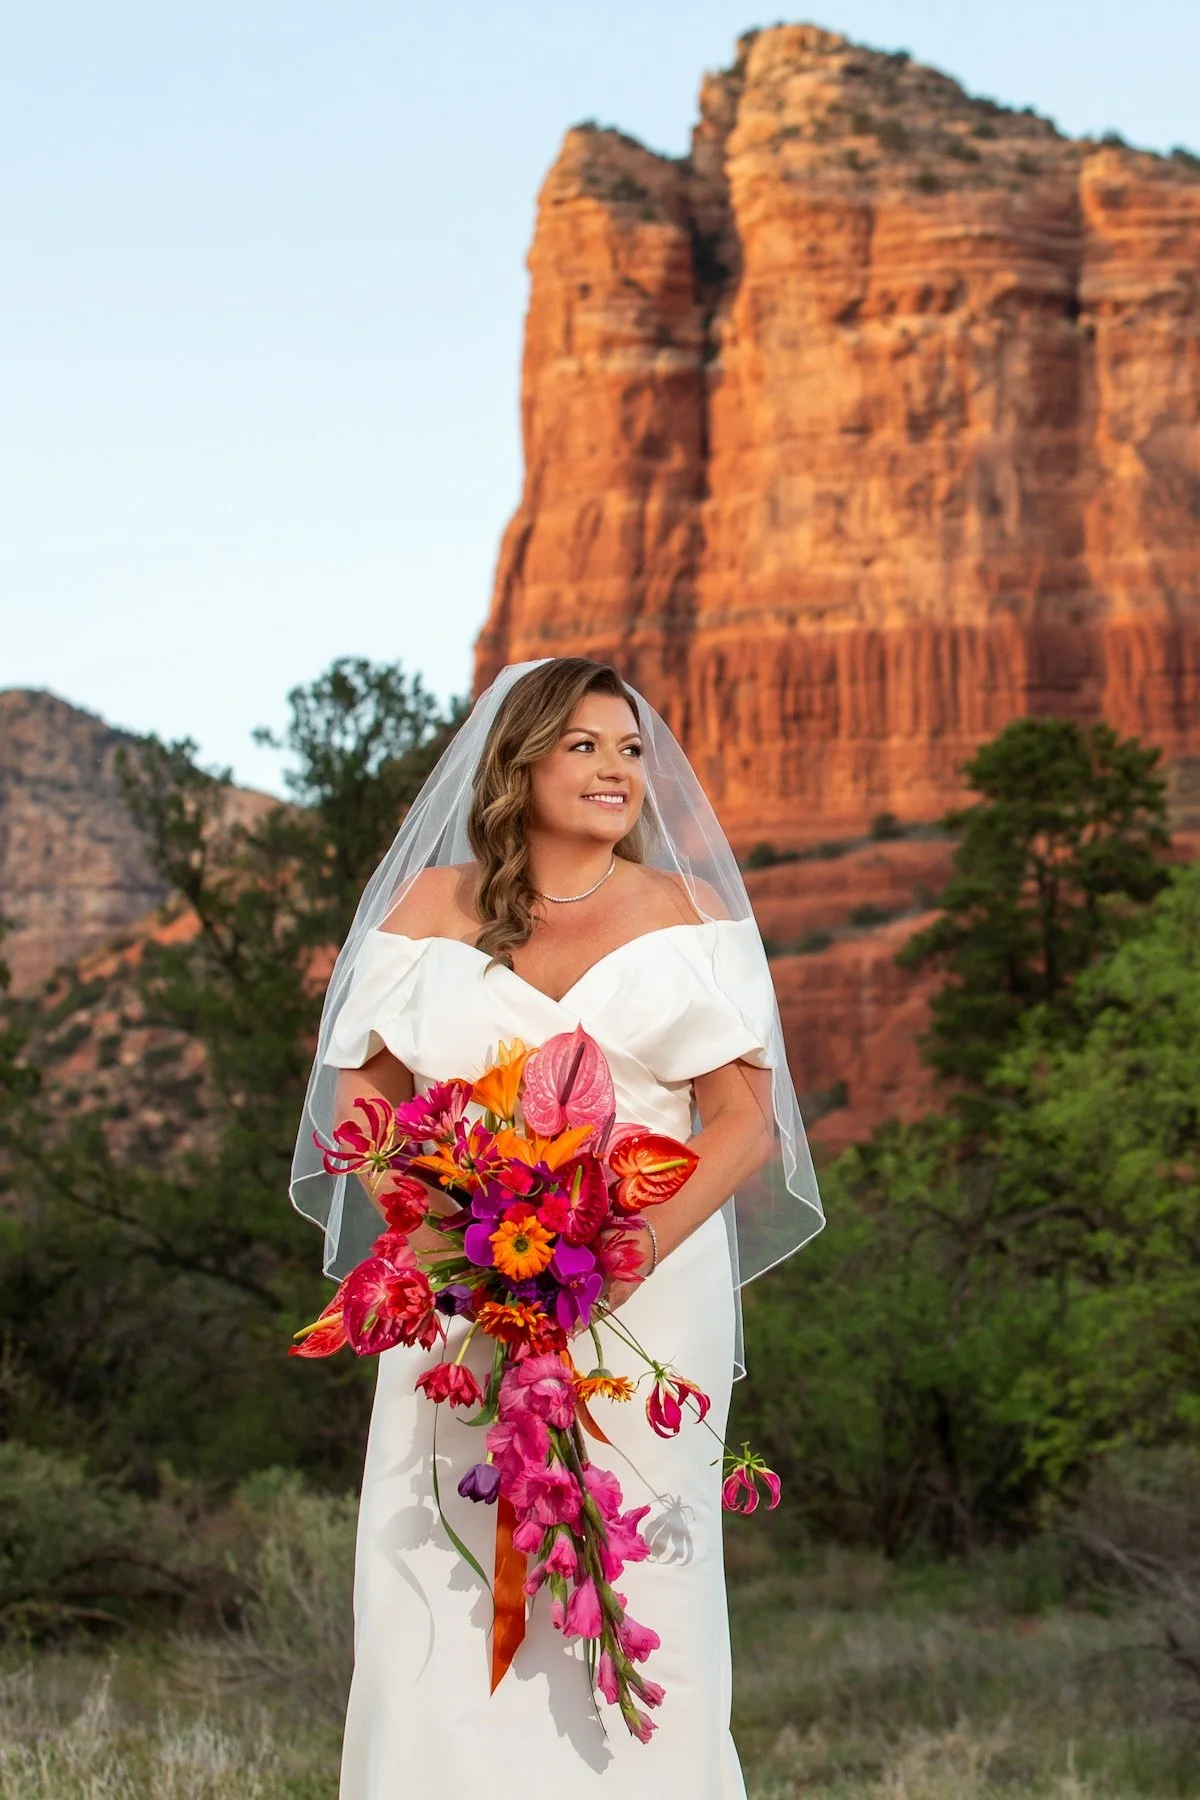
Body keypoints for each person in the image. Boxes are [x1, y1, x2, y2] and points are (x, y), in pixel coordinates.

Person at [290, 656, 823, 1799]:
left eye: (629, 749)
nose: (617, 769)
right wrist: (442, 1241)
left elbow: (742, 1123)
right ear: (519, 759)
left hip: (645, 1292)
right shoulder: (431, 906)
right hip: (462, 1294)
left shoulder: (693, 917)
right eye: (584, 745)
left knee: (646, 1578)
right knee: (441, 1565)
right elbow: (364, 1099)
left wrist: (629, 1253)